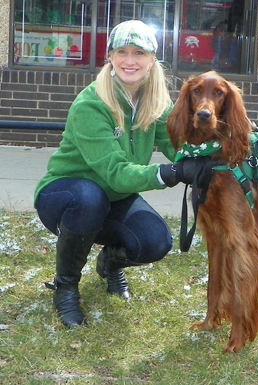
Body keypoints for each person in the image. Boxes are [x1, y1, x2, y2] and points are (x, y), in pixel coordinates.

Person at [34, 20, 208, 328]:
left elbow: (178, 146)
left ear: (152, 59)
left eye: (139, 52)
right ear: (110, 57)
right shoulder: (91, 103)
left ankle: (110, 263)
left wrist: (209, 156)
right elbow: (115, 173)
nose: (130, 61)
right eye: (122, 52)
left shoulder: (156, 101)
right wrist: (170, 173)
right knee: (89, 198)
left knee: (156, 241)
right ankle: (65, 288)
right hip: (66, 195)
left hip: (114, 197)